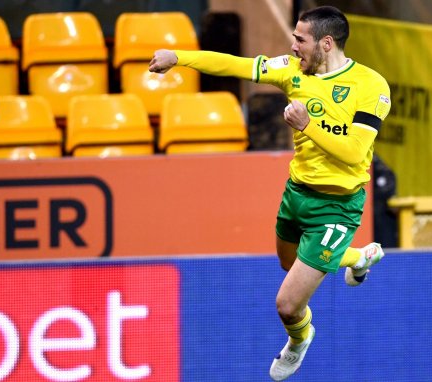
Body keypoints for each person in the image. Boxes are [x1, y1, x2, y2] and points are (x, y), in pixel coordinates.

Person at [149, 5, 391, 381]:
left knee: (288, 304)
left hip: (338, 207)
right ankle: (359, 257)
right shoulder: (292, 71)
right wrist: (178, 58)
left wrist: (307, 125)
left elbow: (356, 153)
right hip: (297, 193)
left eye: (300, 40)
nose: (293, 46)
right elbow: (236, 65)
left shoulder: (371, 86)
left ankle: (299, 340)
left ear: (326, 44)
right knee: (288, 263)